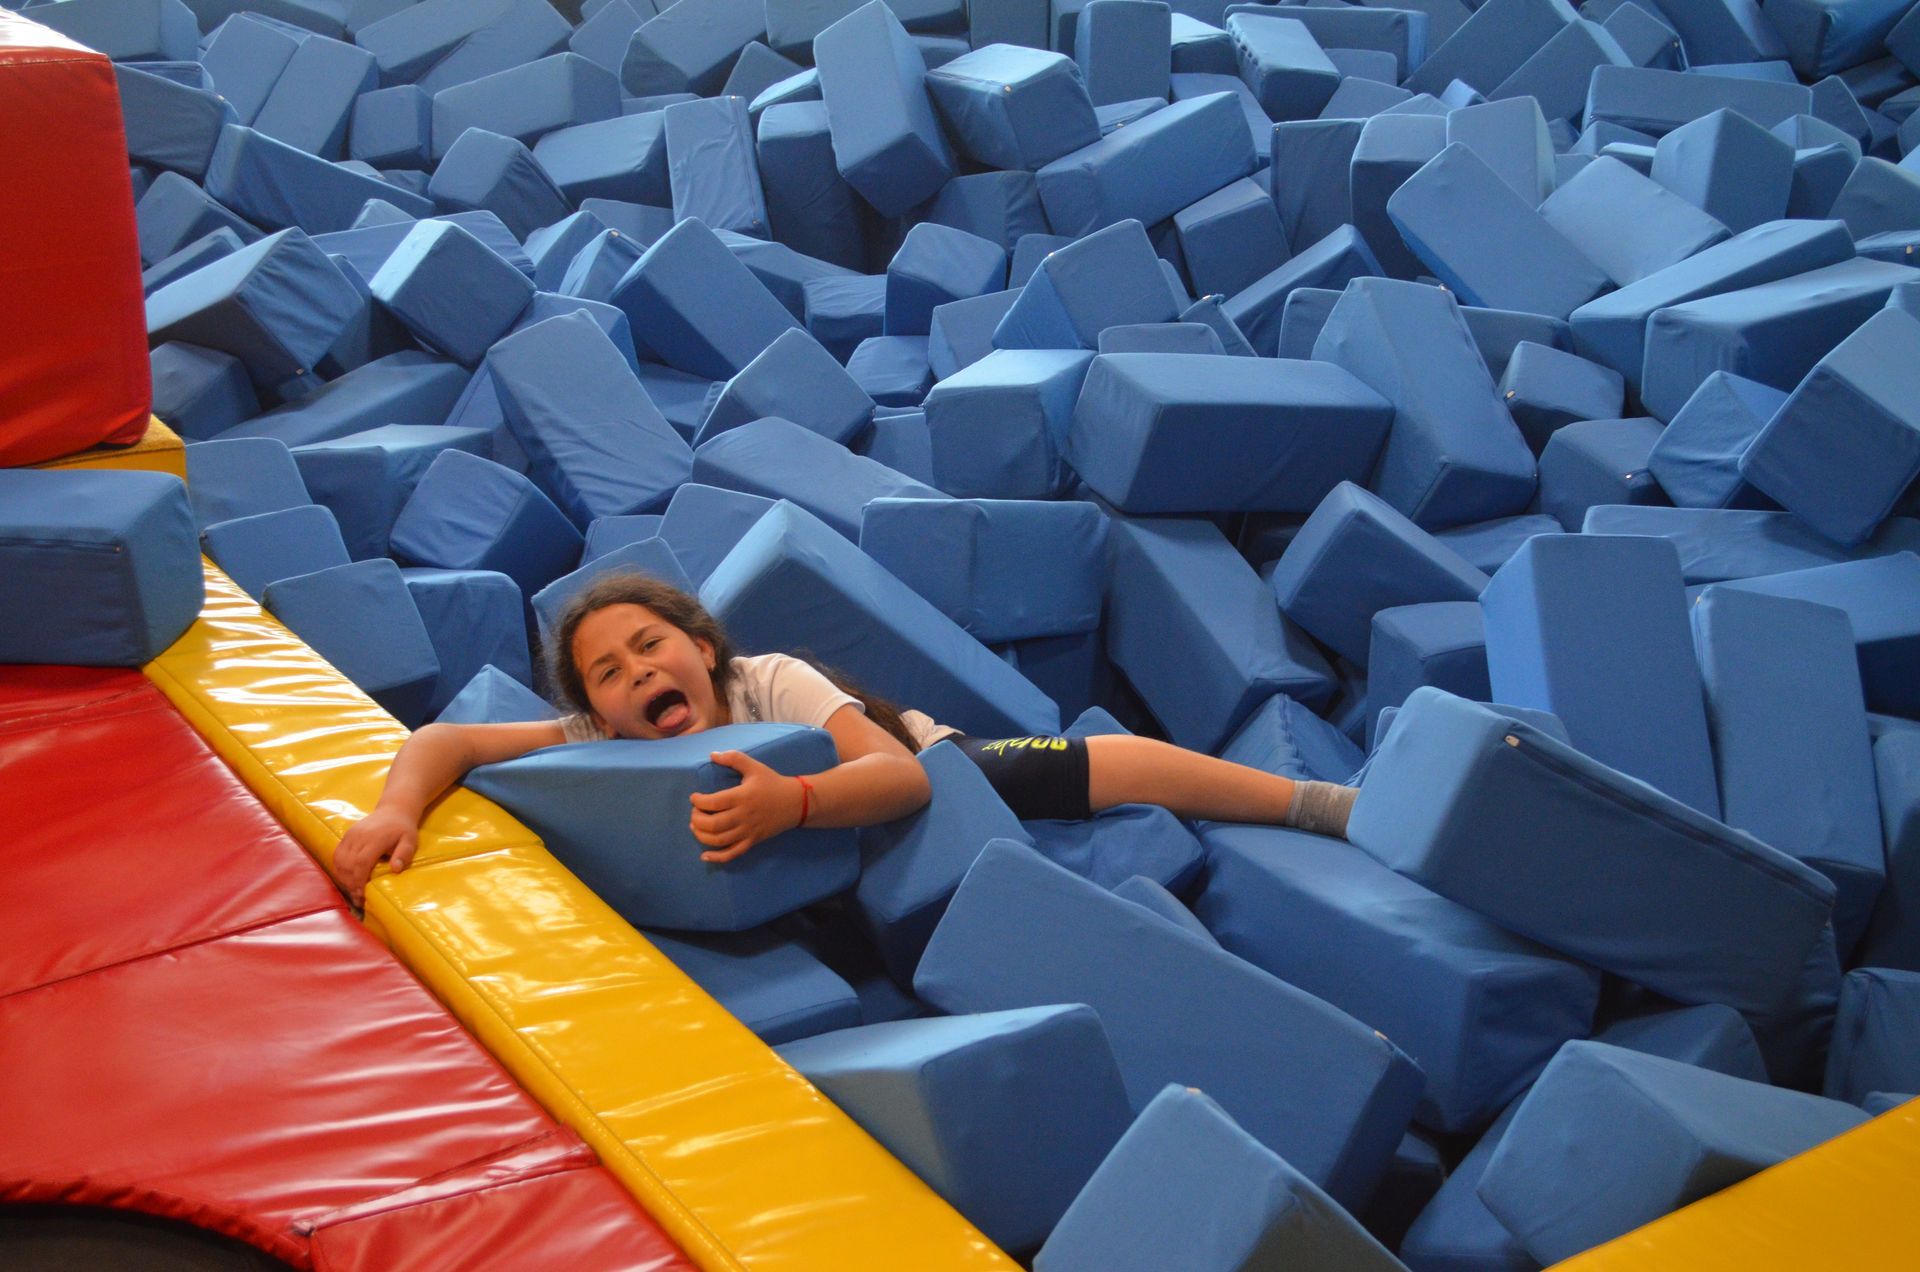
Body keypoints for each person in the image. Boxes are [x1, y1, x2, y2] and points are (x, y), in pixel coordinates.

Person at [333, 571, 1358, 906]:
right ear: (596, 712)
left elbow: (896, 776)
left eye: (652, 647)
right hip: (812, 867)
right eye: (610, 672)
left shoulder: (767, 679)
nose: (638, 673)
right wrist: (391, 808)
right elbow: (448, 743)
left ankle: (1312, 801)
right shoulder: (596, 738)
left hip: (919, 767)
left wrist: (796, 803)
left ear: (701, 646)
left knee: (1077, 768)